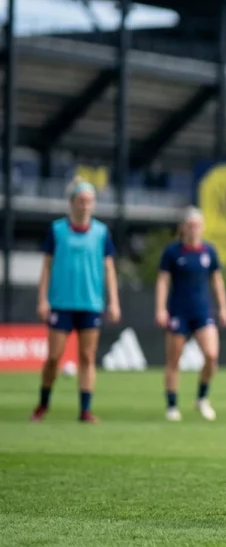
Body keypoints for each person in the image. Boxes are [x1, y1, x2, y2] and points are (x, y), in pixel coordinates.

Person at [31, 177, 121, 423]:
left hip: (91, 303)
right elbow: (46, 268)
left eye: (90, 200)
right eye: (81, 200)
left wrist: (113, 301)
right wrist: (42, 299)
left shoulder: (102, 233)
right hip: (61, 302)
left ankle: (85, 409)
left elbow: (109, 269)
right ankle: (43, 403)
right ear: (72, 202)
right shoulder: (57, 230)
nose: (86, 205)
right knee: (53, 357)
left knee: (88, 356)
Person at [155, 207, 226, 422]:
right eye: (189, 224)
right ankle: (171, 405)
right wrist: (161, 308)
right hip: (178, 311)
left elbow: (216, 280)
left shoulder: (209, 251)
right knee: (173, 360)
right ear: (183, 227)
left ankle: (202, 398)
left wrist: (223, 307)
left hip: (202, 310)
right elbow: (163, 281)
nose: (193, 229)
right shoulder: (172, 252)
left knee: (212, 356)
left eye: (197, 224)